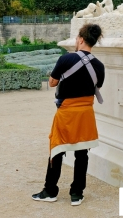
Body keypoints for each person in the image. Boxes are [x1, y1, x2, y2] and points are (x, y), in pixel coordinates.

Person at [32, 24, 105, 206]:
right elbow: (97, 87)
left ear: (80, 39)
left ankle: (50, 190)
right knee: (82, 153)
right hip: (86, 114)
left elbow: (52, 83)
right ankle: (77, 194)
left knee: (57, 151)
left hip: (66, 112)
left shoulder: (66, 59)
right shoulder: (99, 66)